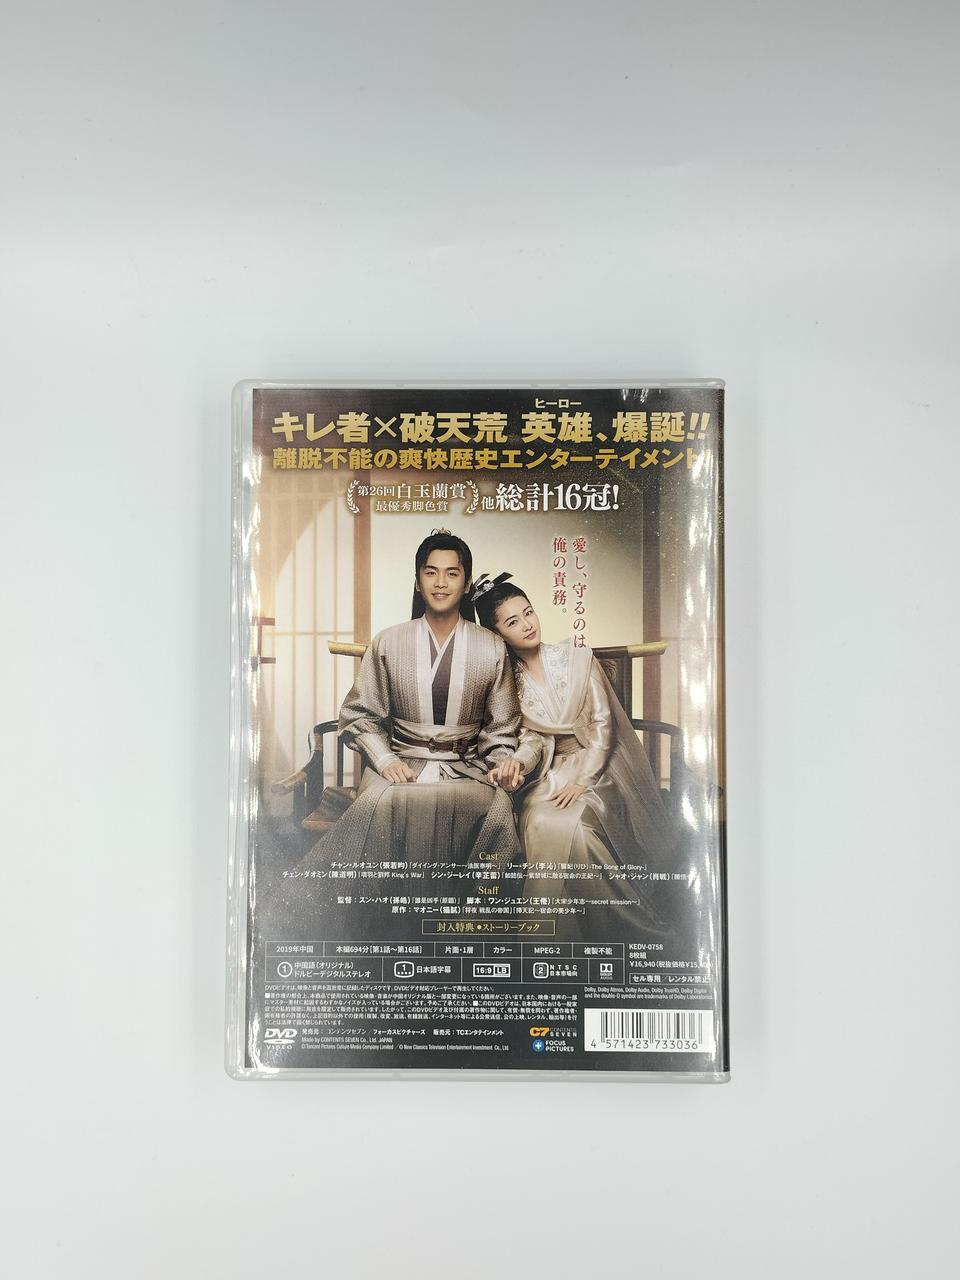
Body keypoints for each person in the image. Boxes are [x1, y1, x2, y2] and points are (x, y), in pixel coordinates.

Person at [272, 534, 526, 934]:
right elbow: (359, 714)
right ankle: (388, 926)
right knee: (387, 799)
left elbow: (501, 728)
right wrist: (385, 758)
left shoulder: (491, 647)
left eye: (452, 573)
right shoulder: (388, 642)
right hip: (400, 763)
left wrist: (500, 765)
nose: (440, 583)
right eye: (431, 572)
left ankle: (465, 929)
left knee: (490, 806)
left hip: (465, 767)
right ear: (417, 581)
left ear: (465, 583)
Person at [474, 573, 676, 933]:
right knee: (540, 819)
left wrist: (584, 781)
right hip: (551, 772)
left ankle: (617, 925)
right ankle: (556, 936)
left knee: (577, 827)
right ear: (497, 634)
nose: (527, 624)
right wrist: (517, 761)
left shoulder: (576, 657)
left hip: (600, 764)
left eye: (528, 612)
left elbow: (603, 724)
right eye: (512, 621)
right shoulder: (507, 682)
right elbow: (532, 740)